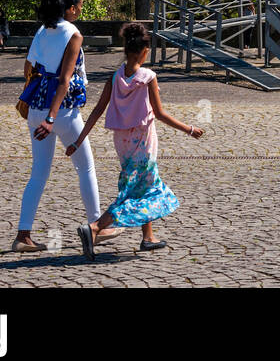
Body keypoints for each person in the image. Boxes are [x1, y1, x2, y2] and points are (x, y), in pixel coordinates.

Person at [71, 22, 204, 260]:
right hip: (142, 141)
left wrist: (79, 140)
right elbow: (160, 114)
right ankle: (94, 228)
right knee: (137, 189)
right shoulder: (148, 77)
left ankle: (148, 237)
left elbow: (97, 111)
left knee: (143, 185)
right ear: (144, 51)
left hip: (121, 141)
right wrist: (189, 128)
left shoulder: (115, 77)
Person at [13, 0, 107, 253]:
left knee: (38, 173)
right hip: (62, 113)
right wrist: (52, 118)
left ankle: (23, 235)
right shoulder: (73, 34)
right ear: (68, 8)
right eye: (78, 5)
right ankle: (96, 226)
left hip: (36, 111)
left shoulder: (43, 30)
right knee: (86, 167)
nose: (80, 9)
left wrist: (43, 110)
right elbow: (65, 80)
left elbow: (27, 69)